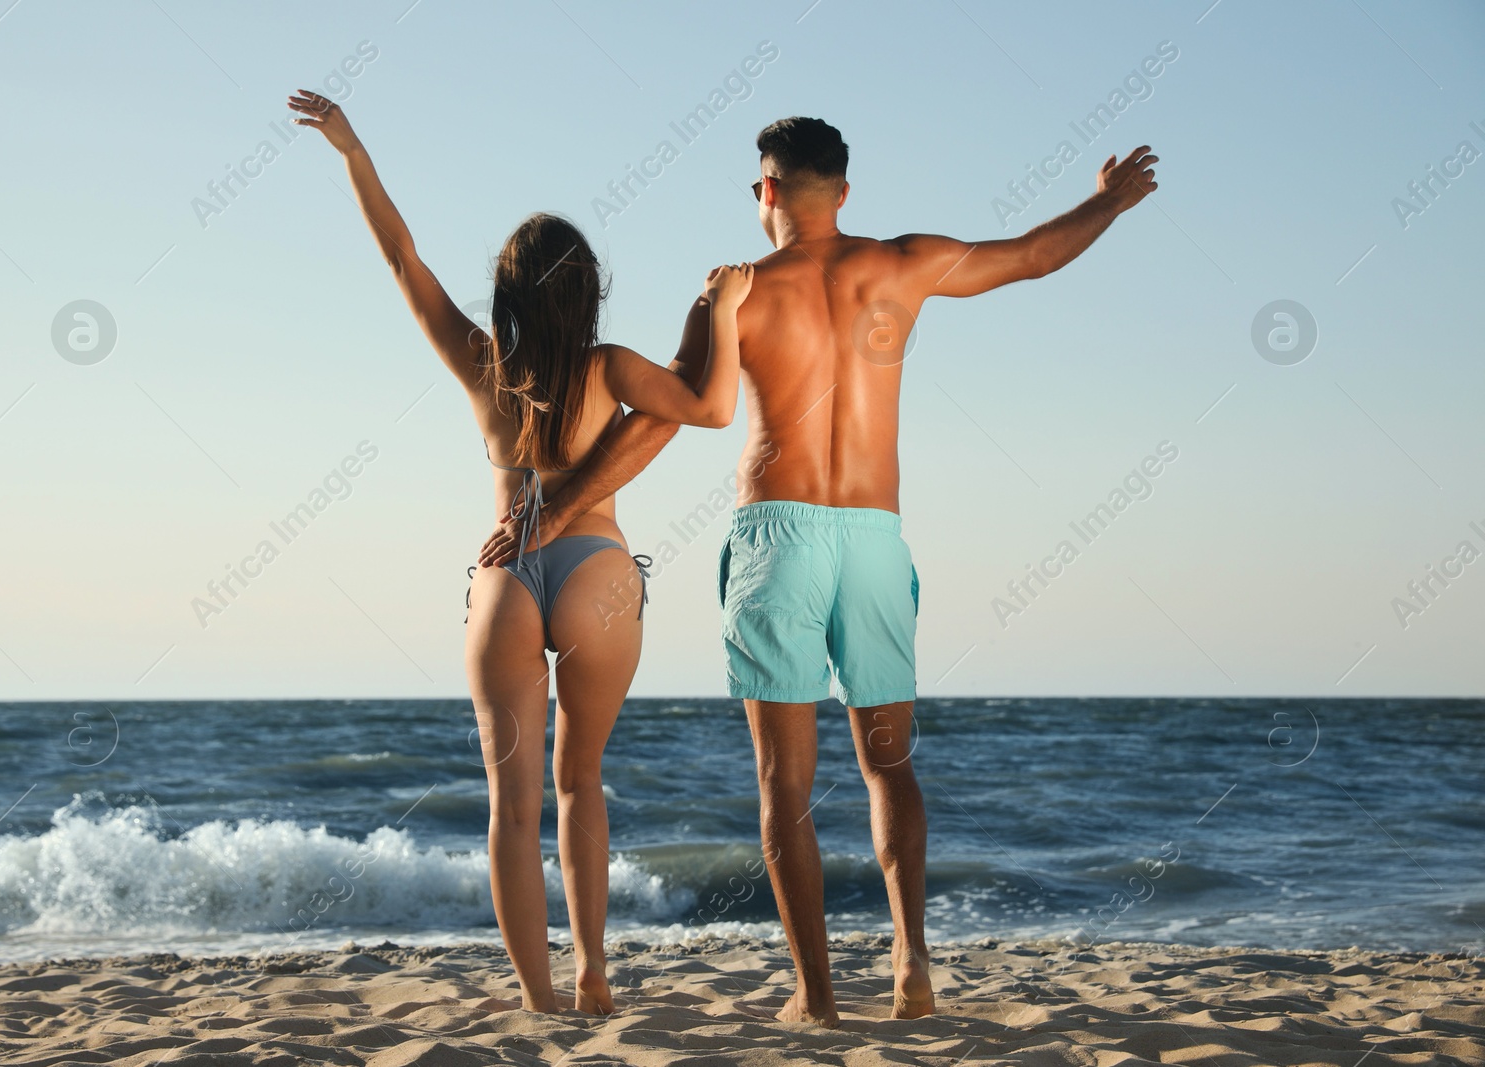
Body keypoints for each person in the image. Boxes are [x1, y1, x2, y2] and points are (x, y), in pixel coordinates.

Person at [479, 117, 1158, 1025]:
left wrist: (557, 509)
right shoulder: (906, 263)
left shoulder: (739, 292)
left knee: (784, 784)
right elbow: (1034, 255)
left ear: (765, 193)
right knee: (889, 763)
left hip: (778, 534)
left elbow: (664, 415)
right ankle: (912, 955)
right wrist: (1107, 201)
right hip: (875, 532)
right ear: (842, 191)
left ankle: (819, 993)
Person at [289, 89, 754, 1014]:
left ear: (503, 295)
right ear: (589, 293)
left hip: (504, 582)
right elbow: (710, 405)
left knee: (512, 808)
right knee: (581, 780)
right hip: (598, 574)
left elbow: (400, 256)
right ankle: (593, 970)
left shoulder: (480, 365)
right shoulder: (612, 368)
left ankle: (539, 1000)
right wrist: (723, 308)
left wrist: (352, 151)